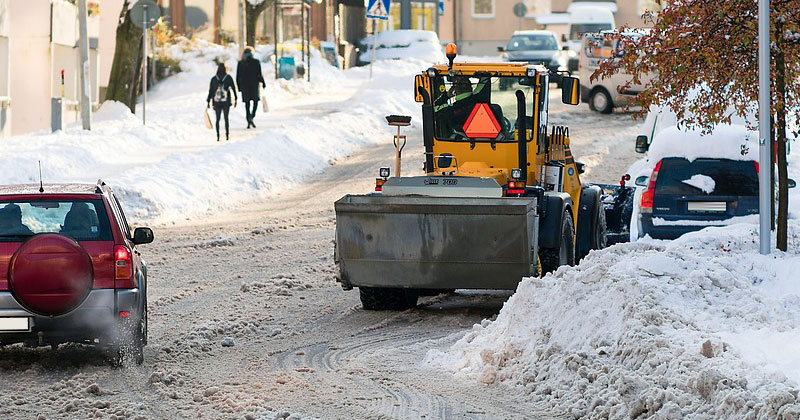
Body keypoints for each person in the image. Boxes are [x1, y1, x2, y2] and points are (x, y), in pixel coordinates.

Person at [236, 46, 266, 129]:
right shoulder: (256, 62)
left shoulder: (241, 63)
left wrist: (239, 87)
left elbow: (238, 76)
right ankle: (252, 116)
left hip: (244, 86)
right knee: (255, 101)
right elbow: (259, 74)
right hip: (254, 85)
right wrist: (263, 83)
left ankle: (248, 118)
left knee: (247, 103)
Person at [207, 63, 237, 141]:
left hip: (216, 102)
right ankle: (227, 135)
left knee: (218, 119)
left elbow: (211, 91)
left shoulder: (214, 79)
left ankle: (218, 135)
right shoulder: (228, 78)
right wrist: (236, 98)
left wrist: (208, 100)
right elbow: (233, 88)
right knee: (226, 118)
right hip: (226, 101)